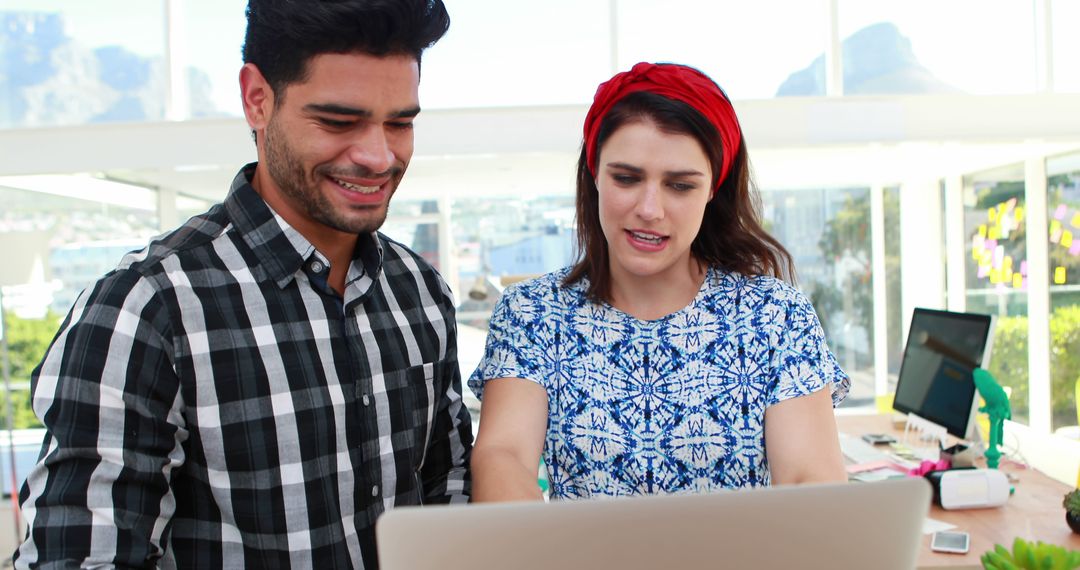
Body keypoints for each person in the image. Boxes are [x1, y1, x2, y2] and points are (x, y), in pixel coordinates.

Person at [14, 0, 472, 567]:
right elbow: (82, 556)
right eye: (337, 121)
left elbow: (449, 497)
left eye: (400, 122)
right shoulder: (145, 310)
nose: (378, 155)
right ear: (257, 99)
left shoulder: (420, 293)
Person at [468, 62, 849, 502]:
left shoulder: (774, 316)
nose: (650, 209)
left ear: (712, 189)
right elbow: (504, 456)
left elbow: (810, 480)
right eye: (627, 178)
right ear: (594, 174)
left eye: (680, 186)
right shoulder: (532, 313)